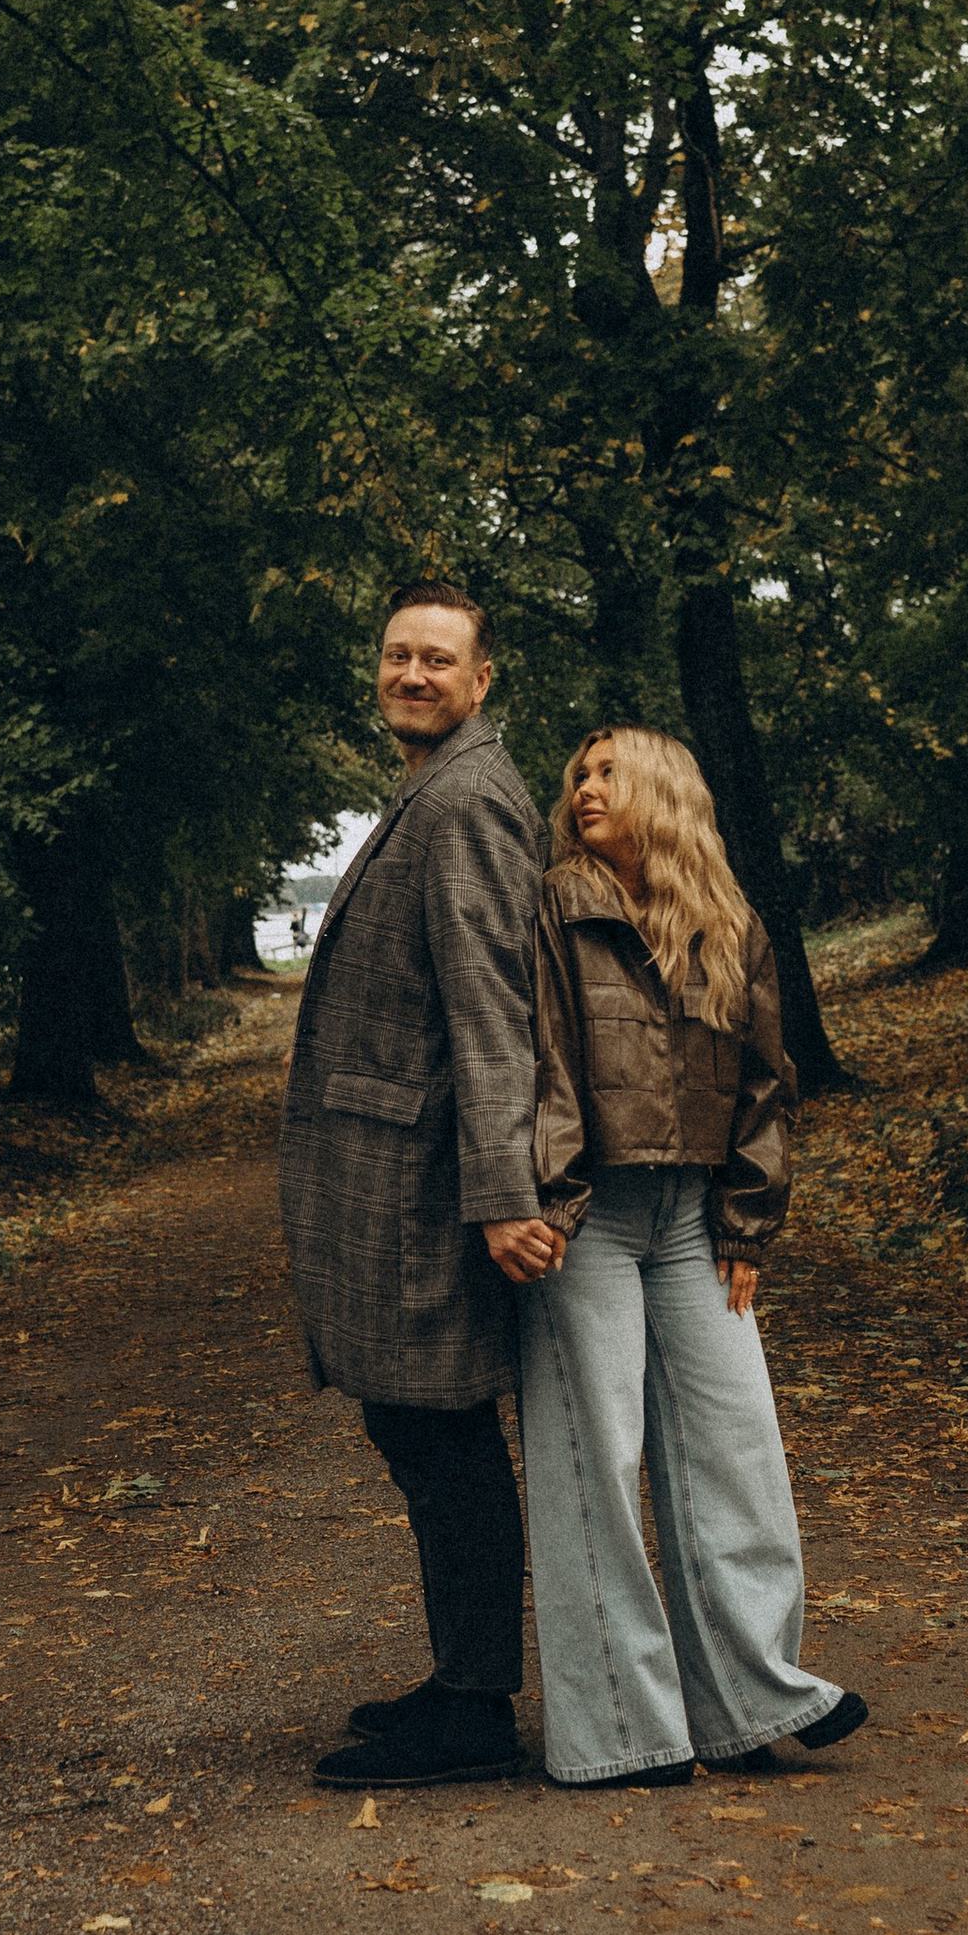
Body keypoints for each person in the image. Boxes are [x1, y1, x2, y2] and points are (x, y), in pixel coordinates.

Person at [518, 725, 867, 1789]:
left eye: (609, 772)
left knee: (736, 1450)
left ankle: (754, 1697)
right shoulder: (549, 908)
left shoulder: (728, 924)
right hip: (585, 1218)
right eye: (578, 773)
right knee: (595, 1462)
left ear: (666, 790)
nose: (586, 787)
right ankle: (623, 1730)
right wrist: (546, 1197)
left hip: (689, 1222)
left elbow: (766, 1081)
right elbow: (538, 1060)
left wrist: (748, 1219)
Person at [277, 580, 563, 1789]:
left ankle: (477, 1708)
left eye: (439, 660)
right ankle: (460, 1678)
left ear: (482, 679)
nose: (413, 675)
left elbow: (492, 1010)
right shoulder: (433, 790)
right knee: (417, 1428)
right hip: (401, 1172)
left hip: (429, 1182)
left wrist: (506, 1191)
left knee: (439, 1432)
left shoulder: (466, 804)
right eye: (398, 655)